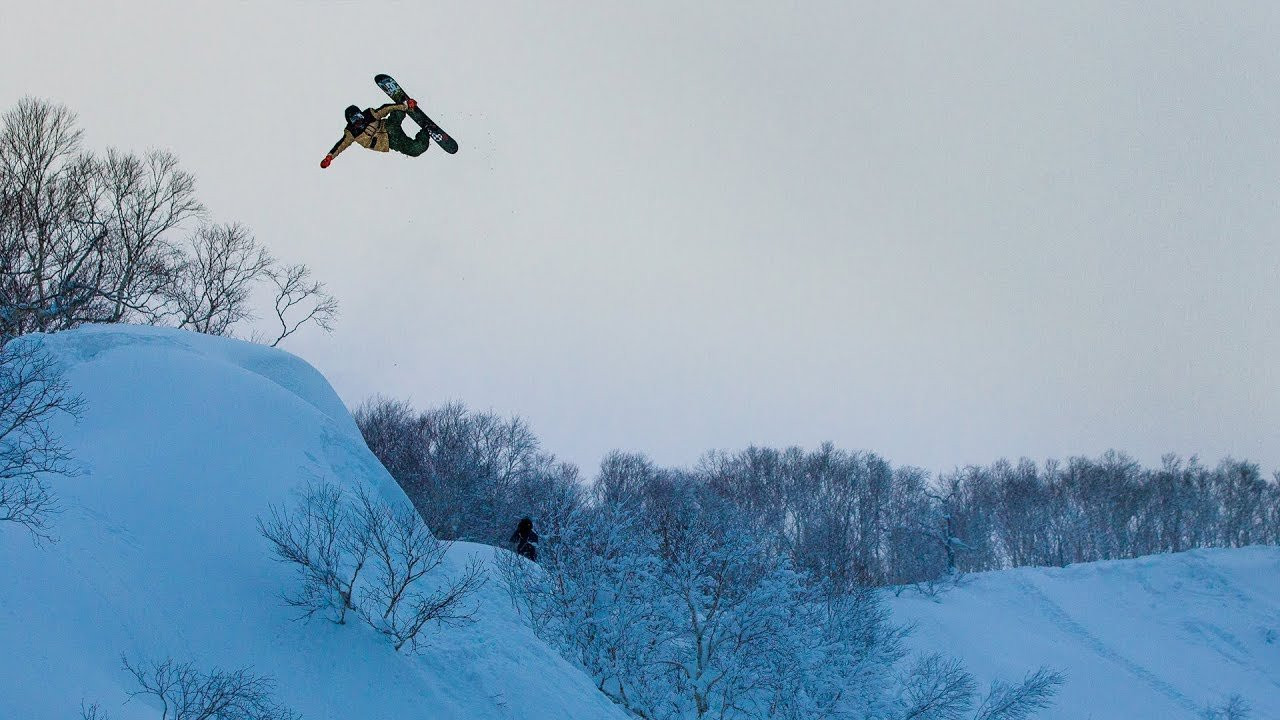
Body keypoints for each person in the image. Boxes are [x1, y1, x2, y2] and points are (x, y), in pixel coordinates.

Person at [320, 99, 430, 168]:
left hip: (389, 126)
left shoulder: (369, 114)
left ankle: (406, 105)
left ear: (361, 114)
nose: (358, 120)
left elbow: (385, 109)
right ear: (350, 122)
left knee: (395, 114)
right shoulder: (351, 133)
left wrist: (405, 106)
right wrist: (330, 157)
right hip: (388, 141)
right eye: (354, 119)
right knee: (415, 150)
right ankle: (426, 131)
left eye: (359, 116)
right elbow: (341, 145)